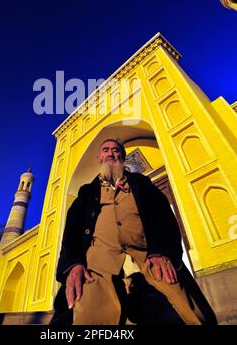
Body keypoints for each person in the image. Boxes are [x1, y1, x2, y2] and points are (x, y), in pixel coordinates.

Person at [50, 139, 217, 325]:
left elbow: (163, 215)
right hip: (99, 258)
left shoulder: (141, 183)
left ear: (122, 156)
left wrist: (161, 250)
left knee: (180, 300)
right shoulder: (87, 192)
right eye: (106, 150)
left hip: (146, 253)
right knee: (84, 306)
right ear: (99, 157)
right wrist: (73, 264)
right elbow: (72, 229)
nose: (111, 153)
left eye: (116, 150)